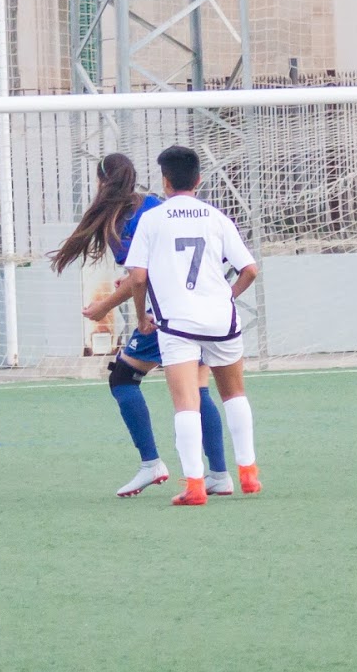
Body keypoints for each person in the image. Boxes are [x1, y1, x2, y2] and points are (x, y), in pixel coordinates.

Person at [49, 153, 235, 498]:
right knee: (199, 387)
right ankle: (220, 474)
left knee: (123, 379)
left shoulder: (117, 221)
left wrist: (104, 306)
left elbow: (140, 278)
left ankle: (152, 463)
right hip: (203, 306)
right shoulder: (154, 204)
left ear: (102, 181)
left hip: (167, 313)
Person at [126, 145, 262, 506]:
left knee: (186, 402)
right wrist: (227, 296)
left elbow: (137, 276)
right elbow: (250, 270)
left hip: (178, 323)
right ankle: (248, 473)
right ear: (198, 180)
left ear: (165, 181)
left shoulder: (152, 219)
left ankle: (196, 486)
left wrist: (141, 317)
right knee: (234, 394)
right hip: (221, 318)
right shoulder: (217, 217)